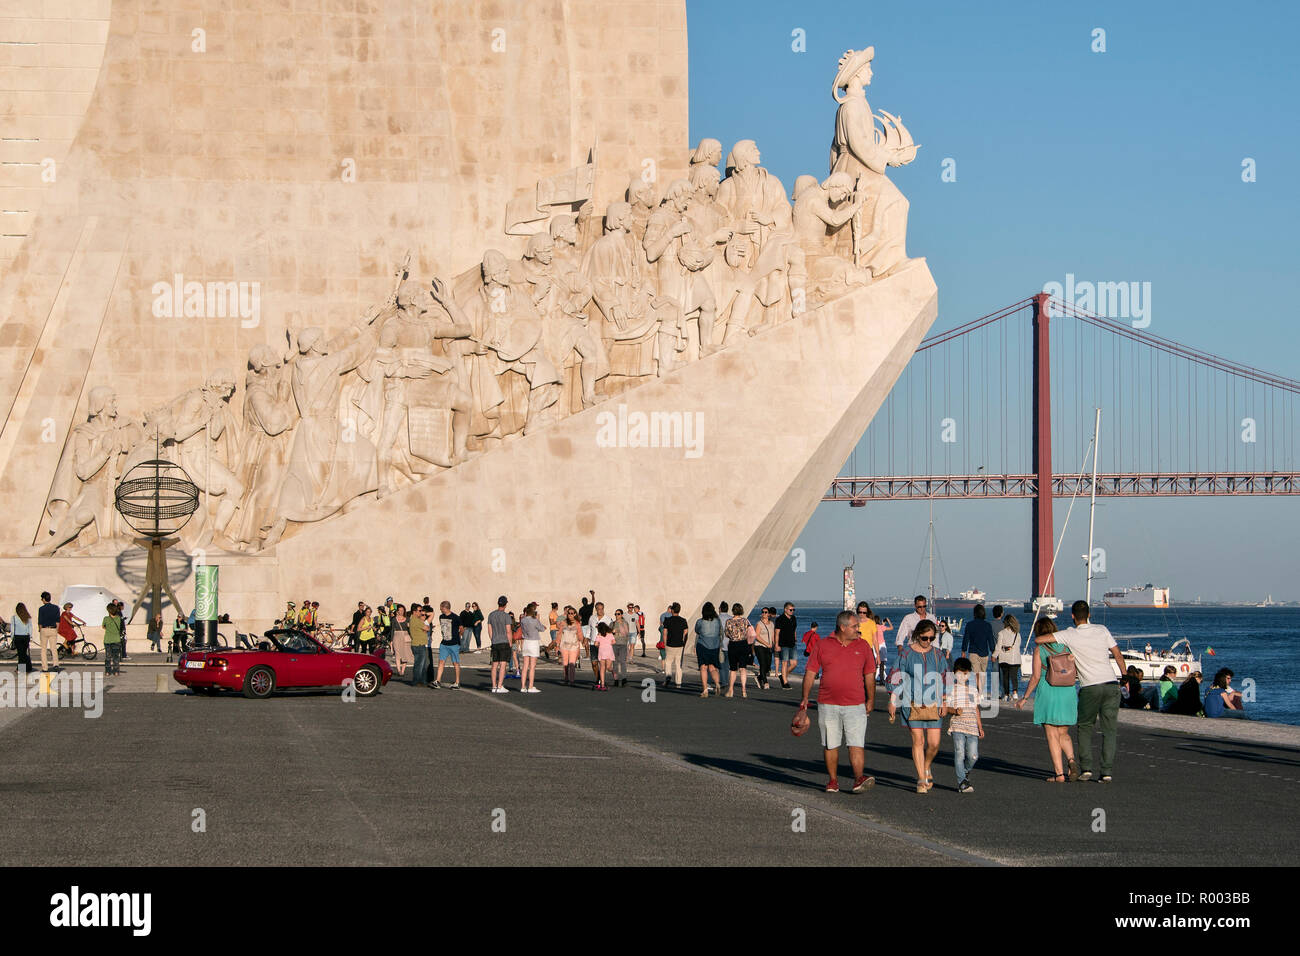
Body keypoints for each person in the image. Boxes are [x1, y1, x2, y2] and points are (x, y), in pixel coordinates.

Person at [797, 610, 876, 794]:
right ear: (842, 627)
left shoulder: (863, 646)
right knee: (831, 743)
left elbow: (869, 675)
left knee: (856, 743)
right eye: (855, 626)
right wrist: (805, 698)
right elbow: (810, 672)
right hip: (827, 703)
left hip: (856, 703)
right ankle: (833, 781)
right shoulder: (823, 645)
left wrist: (871, 699)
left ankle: (858, 779)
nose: (858, 629)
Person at [1058, 600, 1126, 783]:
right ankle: (1106, 772)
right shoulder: (1102, 630)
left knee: (1085, 726)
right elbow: (1118, 654)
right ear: (1089, 615)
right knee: (1109, 730)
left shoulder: (1069, 635)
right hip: (1111, 683)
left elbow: (1041, 639)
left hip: (1090, 686)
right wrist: (1125, 677)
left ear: (1072, 616)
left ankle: (1086, 768)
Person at [890, 618, 951, 793]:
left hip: (934, 703)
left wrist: (945, 701)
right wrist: (893, 700)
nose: (928, 642)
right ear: (917, 635)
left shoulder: (938, 655)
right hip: (912, 703)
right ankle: (921, 779)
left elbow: (945, 677)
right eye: (925, 638)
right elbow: (896, 675)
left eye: (931, 638)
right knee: (918, 741)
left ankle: (926, 766)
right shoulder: (906, 654)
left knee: (934, 744)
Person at [1017, 618, 1080, 783]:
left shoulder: (1040, 649)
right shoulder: (1066, 646)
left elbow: (1036, 676)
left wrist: (1025, 697)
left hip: (1049, 691)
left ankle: (1059, 774)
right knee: (1063, 733)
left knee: (1052, 735)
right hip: (1067, 691)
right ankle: (1072, 760)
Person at [947, 657, 985, 793]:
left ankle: (965, 772)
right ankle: (962, 782)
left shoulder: (973, 690)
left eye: (966, 673)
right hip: (957, 725)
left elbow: (976, 709)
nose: (963, 676)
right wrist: (955, 711)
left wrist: (980, 727)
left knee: (973, 756)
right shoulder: (952, 690)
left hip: (972, 726)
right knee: (959, 753)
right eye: (960, 673)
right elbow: (946, 708)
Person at [960, 604, 995, 701]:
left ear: (974, 613)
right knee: (982, 673)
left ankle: (978, 692)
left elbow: (966, 638)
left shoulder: (970, 625)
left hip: (973, 652)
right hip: (985, 653)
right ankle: (981, 692)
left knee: (976, 673)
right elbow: (990, 640)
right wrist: (993, 651)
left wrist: (963, 650)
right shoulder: (987, 625)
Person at [724, 603, 754, 698]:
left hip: (733, 645)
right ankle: (744, 690)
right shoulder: (745, 621)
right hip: (743, 644)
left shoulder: (728, 621)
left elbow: (726, 634)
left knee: (733, 669)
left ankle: (731, 690)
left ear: (733, 610)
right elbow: (750, 632)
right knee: (743, 668)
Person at [693, 602, 722, 697]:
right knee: (713, 668)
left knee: (703, 668)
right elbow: (721, 632)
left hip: (703, 645)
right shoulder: (718, 621)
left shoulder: (700, 622)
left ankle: (705, 690)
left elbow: (697, 630)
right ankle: (717, 684)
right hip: (715, 646)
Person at [993, 613, 1021, 701]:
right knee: (1014, 677)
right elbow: (1017, 646)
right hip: (1015, 659)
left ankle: (1006, 694)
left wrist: (994, 655)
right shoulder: (1017, 634)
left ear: (1005, 623)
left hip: (1004, 658)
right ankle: (1015, 693)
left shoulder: (1001, 633)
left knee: (1005, 677)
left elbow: (998, 646)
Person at [433, 602, 462, 688]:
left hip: (454, 644)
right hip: (444, 643)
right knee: (441, 661)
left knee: (455, 663)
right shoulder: (441, 617)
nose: (440, 609)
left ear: (445, 608)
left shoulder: (456, 617)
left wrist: (458, 636)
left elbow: (461, 628)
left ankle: (457, 682)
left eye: (441, 608)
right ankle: (438, 681)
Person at [487, 596, 512, 692]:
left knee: (494, 665)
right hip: (504, 642)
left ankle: (494, 686)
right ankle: (499, 685)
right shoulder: (506, 616)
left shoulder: (491, 615)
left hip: (495, 641)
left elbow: (490, 629)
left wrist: (492, 639)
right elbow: (508, 631)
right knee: (503, 664)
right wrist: (510, 643)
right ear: (505, 604)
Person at [519, 602, 545, 693]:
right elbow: (542, 628)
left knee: (525, 666)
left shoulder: (523, 620)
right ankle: (530, 687)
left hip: (526, 642)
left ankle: (523, 686)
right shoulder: (535, 620)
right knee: (532, 666)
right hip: (533, 642)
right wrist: (538, 620)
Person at [662, 602, 689, 688]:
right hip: (679, 644)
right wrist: (683, 641)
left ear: (672, 610)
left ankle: (668, 677)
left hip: (670, 644)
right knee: (678, 664)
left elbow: (665, 632)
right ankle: (678, 682)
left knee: (668, 662)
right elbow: (686, 632)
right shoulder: (683, 620)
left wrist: (665, 643)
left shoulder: (667, 620)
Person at [588, 601, 614, 685]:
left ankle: (610, 674)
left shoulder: (608, 619)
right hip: (593, 643)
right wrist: (586, 638)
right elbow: (589, 629)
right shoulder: (592, 618)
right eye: (598, 609)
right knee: (594, 663)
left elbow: (611, 631)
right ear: (596, 609)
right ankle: (598, 679)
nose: (600, 611)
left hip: (603, 645)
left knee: (605, 665)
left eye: (602, 609)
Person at [557, 606, 583, 686]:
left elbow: (580, 635)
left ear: (575, 614)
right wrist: (557, 644)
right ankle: (566, 679)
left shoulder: (577, 624)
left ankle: (571, 680)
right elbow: (560, 634)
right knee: (565, 664)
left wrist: (582, 641)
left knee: (572, 664)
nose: (570, 615)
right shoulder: (563, 623)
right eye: (569, 613)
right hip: (564, 645)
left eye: (572, 613)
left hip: (574, 646)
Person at [775, 602, 798, 688]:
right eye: (790, 610)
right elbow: (777, 633)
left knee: (794, 664)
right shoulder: (780, 619)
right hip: (783, 644)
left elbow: (794, 630)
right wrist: (777, 645)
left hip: (792, 643)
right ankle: (785, 682)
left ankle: (783, 675)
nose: (792, 611)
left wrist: (795, 639)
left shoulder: (793, 618)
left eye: (793, 610)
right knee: (784, 663)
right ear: (785, 609)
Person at [37, 591, 61, 673]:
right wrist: (56, 629)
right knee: (53, 648)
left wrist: (40, 630)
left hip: (44, 629)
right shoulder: (56, 608)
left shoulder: (41, 609)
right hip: (53, 629)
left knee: (43, 649)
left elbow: (40, 621)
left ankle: (45, 668)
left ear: (44, 599)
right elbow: (58, 620)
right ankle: (56, 664)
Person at [753, 606, 776, 689]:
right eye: (762, 612)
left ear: (769, 614)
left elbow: (773, 635)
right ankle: (765, 682)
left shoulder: (772, 624)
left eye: (766, 612)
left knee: (768, 666)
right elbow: (757, 636)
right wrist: (766, 643)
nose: (764, 614)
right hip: (759, 646)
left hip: (769, 647)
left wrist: (775, 644)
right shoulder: (759, 624)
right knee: (762, 663)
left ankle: (759, 678)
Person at [408, 604, 430, 686]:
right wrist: (426, 626)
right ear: (414, 612)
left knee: (420, 664)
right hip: (419, 645)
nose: (421, 613)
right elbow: (427, 628)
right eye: (420, 611)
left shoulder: (414, 620)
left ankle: (422, 681)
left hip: (417, 644)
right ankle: (417, 681)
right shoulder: (416, 620)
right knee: (420, 665)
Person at [102, 602, 125, 675]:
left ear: (108, 611)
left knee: (108, 656)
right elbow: (122, 628)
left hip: (107, 640)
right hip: (116, 639)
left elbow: (103, 627)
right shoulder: (119, 618)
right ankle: (116, 671)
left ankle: (108, 671)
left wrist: (109, 628)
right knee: (116, 657)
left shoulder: (106, 618)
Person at [593, 621, 616, 691]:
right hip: (608, 651)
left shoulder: (599, 635)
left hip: (602, 651)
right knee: (605, 667)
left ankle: (612, 672)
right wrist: (608, 644)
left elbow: (595, 644)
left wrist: (600, 645)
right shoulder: (609, 634)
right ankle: (602, 684)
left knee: (605, 667)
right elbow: (614, 642)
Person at [612, 608, 631, 687]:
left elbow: (627, 634)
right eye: (616, 614)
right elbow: (609, 633)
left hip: (623, 644)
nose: (617, 615)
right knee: (615, 663)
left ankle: (624, 679)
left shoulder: (625, 623)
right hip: (614, 644)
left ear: (622, 615)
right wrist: (612, 632)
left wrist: (627, 645)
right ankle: (616, 679)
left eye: (618, 614)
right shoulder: (612, 623)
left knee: (623, 662)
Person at [10, 603, 33, 673]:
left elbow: (12, 628)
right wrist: (30, 636)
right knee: (23, 653)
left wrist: (12, 637)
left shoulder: (14, 618)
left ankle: (21, 669)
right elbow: (30, 628)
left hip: (18, 637)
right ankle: (26, 667)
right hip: (26, 637)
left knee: (21, 654)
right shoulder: (27, 617)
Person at [391, 603, 412, 678]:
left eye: (403, 610)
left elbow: (410, 630)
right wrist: (391, 641)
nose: (401, 611)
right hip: (396, 636)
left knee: (405, 654)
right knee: (397, 653)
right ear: (397, 611)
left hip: (405, 636)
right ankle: (399, 670)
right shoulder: (394, 619)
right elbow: (392, 630)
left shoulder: (408, 619)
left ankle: (403, 670)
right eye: (400, 610)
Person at [716, 601, 732, 687]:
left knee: (721, 664)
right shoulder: (731, 619)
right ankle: (726, 680)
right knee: (727, 664)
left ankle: (724, 681)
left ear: (720, 609)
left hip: (720, 645)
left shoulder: (717, 619)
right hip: (730, 644)